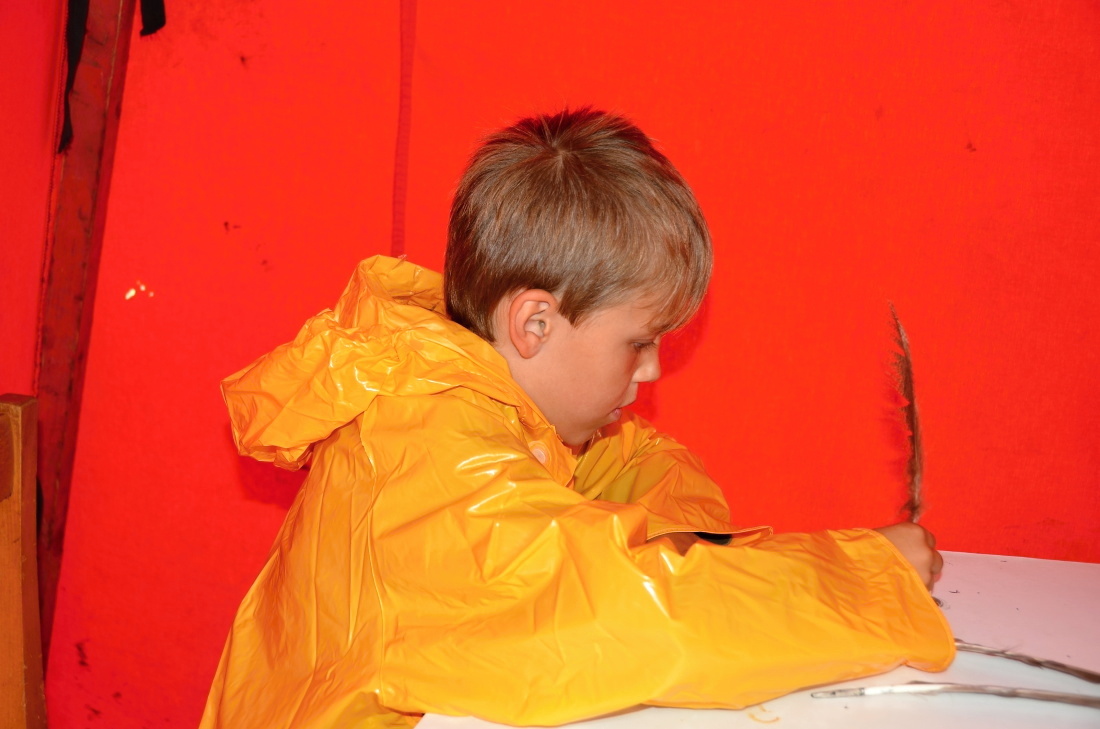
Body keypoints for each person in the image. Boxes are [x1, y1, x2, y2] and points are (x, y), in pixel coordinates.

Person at [199, 109, 952, 729]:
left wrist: (677, 550)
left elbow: (644, 468)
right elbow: (643, 620)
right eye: (639, 342)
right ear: (534, 324)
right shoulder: (430, 464)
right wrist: (866, 578)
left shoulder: (480, 393)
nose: (651, 370)